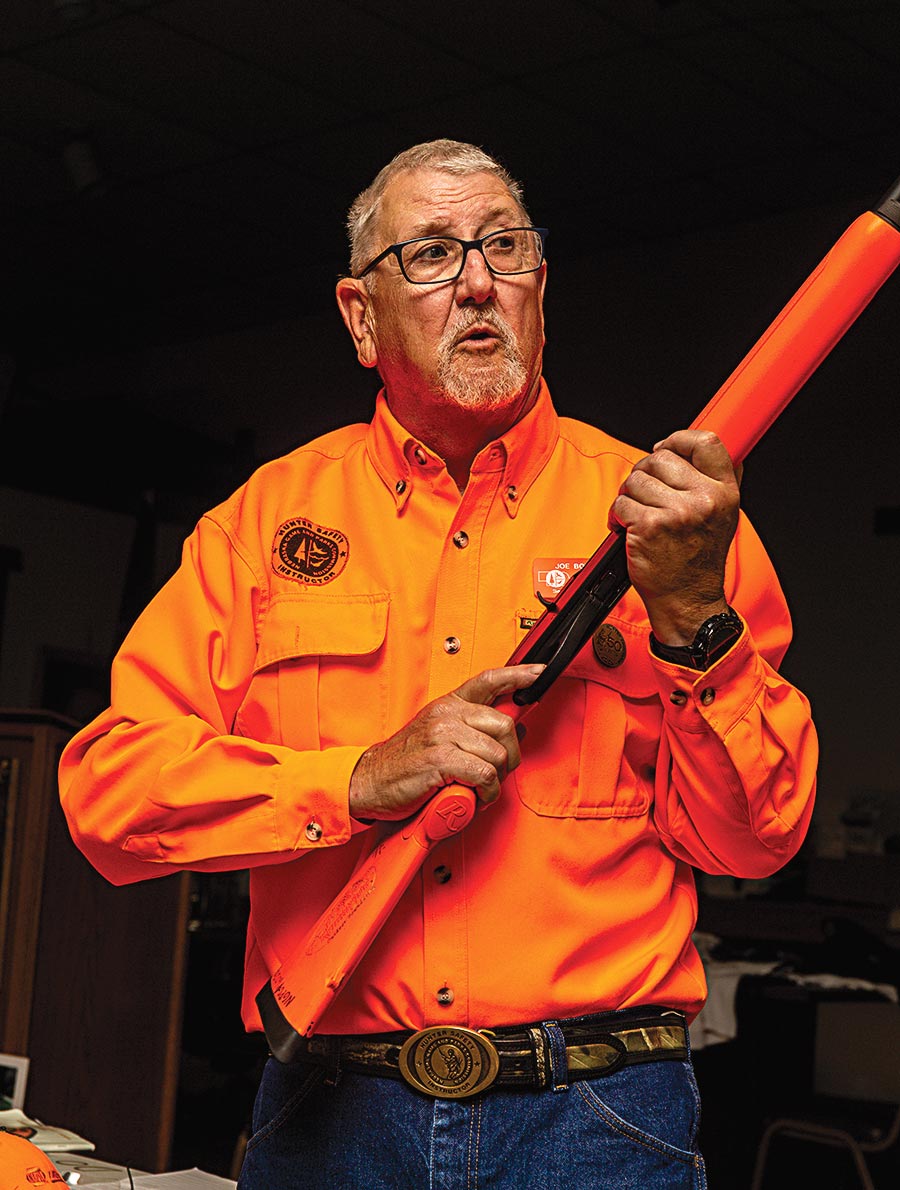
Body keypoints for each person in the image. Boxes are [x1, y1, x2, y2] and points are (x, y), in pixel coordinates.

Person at [58, 139, 817, 1188]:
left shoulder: (672, 522)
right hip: (333, 1112)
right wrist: (358, 778)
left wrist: (689, 607)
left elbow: (756, 838)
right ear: (360, 318)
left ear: (540, 289)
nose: (477, 281)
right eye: (429, 253)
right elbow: (109, 796)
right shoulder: (265, 522)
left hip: (598, 1119)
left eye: (507, 247)